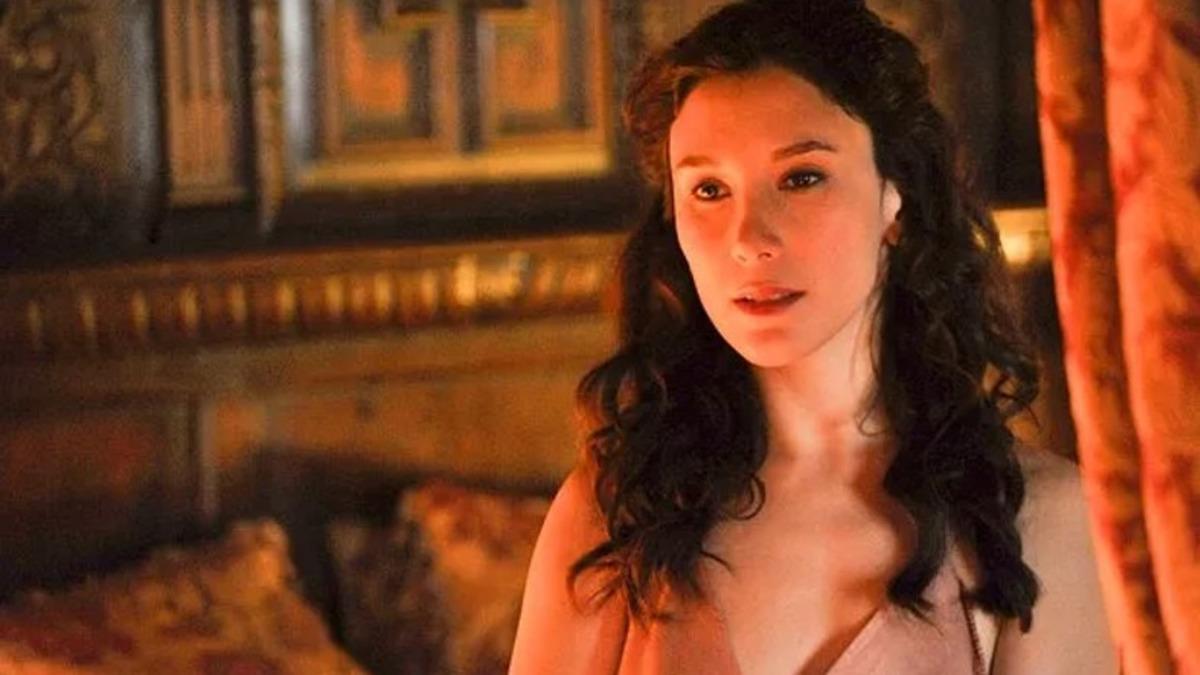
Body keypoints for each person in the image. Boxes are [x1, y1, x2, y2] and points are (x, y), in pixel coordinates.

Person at [509, 1, 1114, 672]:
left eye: (801, 178)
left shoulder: (1039, 520)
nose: (748, 239)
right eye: (708, 189)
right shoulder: (612, 517)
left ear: (895, 199)